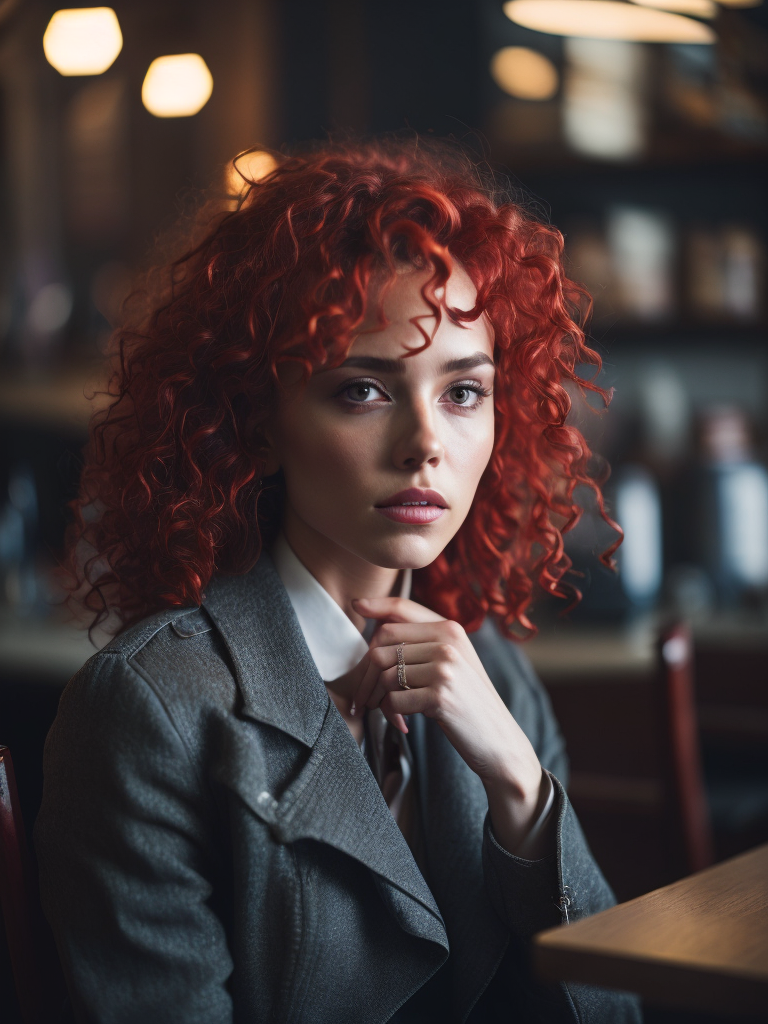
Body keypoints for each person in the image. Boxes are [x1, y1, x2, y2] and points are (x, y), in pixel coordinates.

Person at [35, 137, 639, 1023]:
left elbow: (611, 1014)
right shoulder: (153, 710)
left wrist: (519, 783)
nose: (426, 443)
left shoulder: (496, 676)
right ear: (258, 420)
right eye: (363, 390)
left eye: (464, 392)